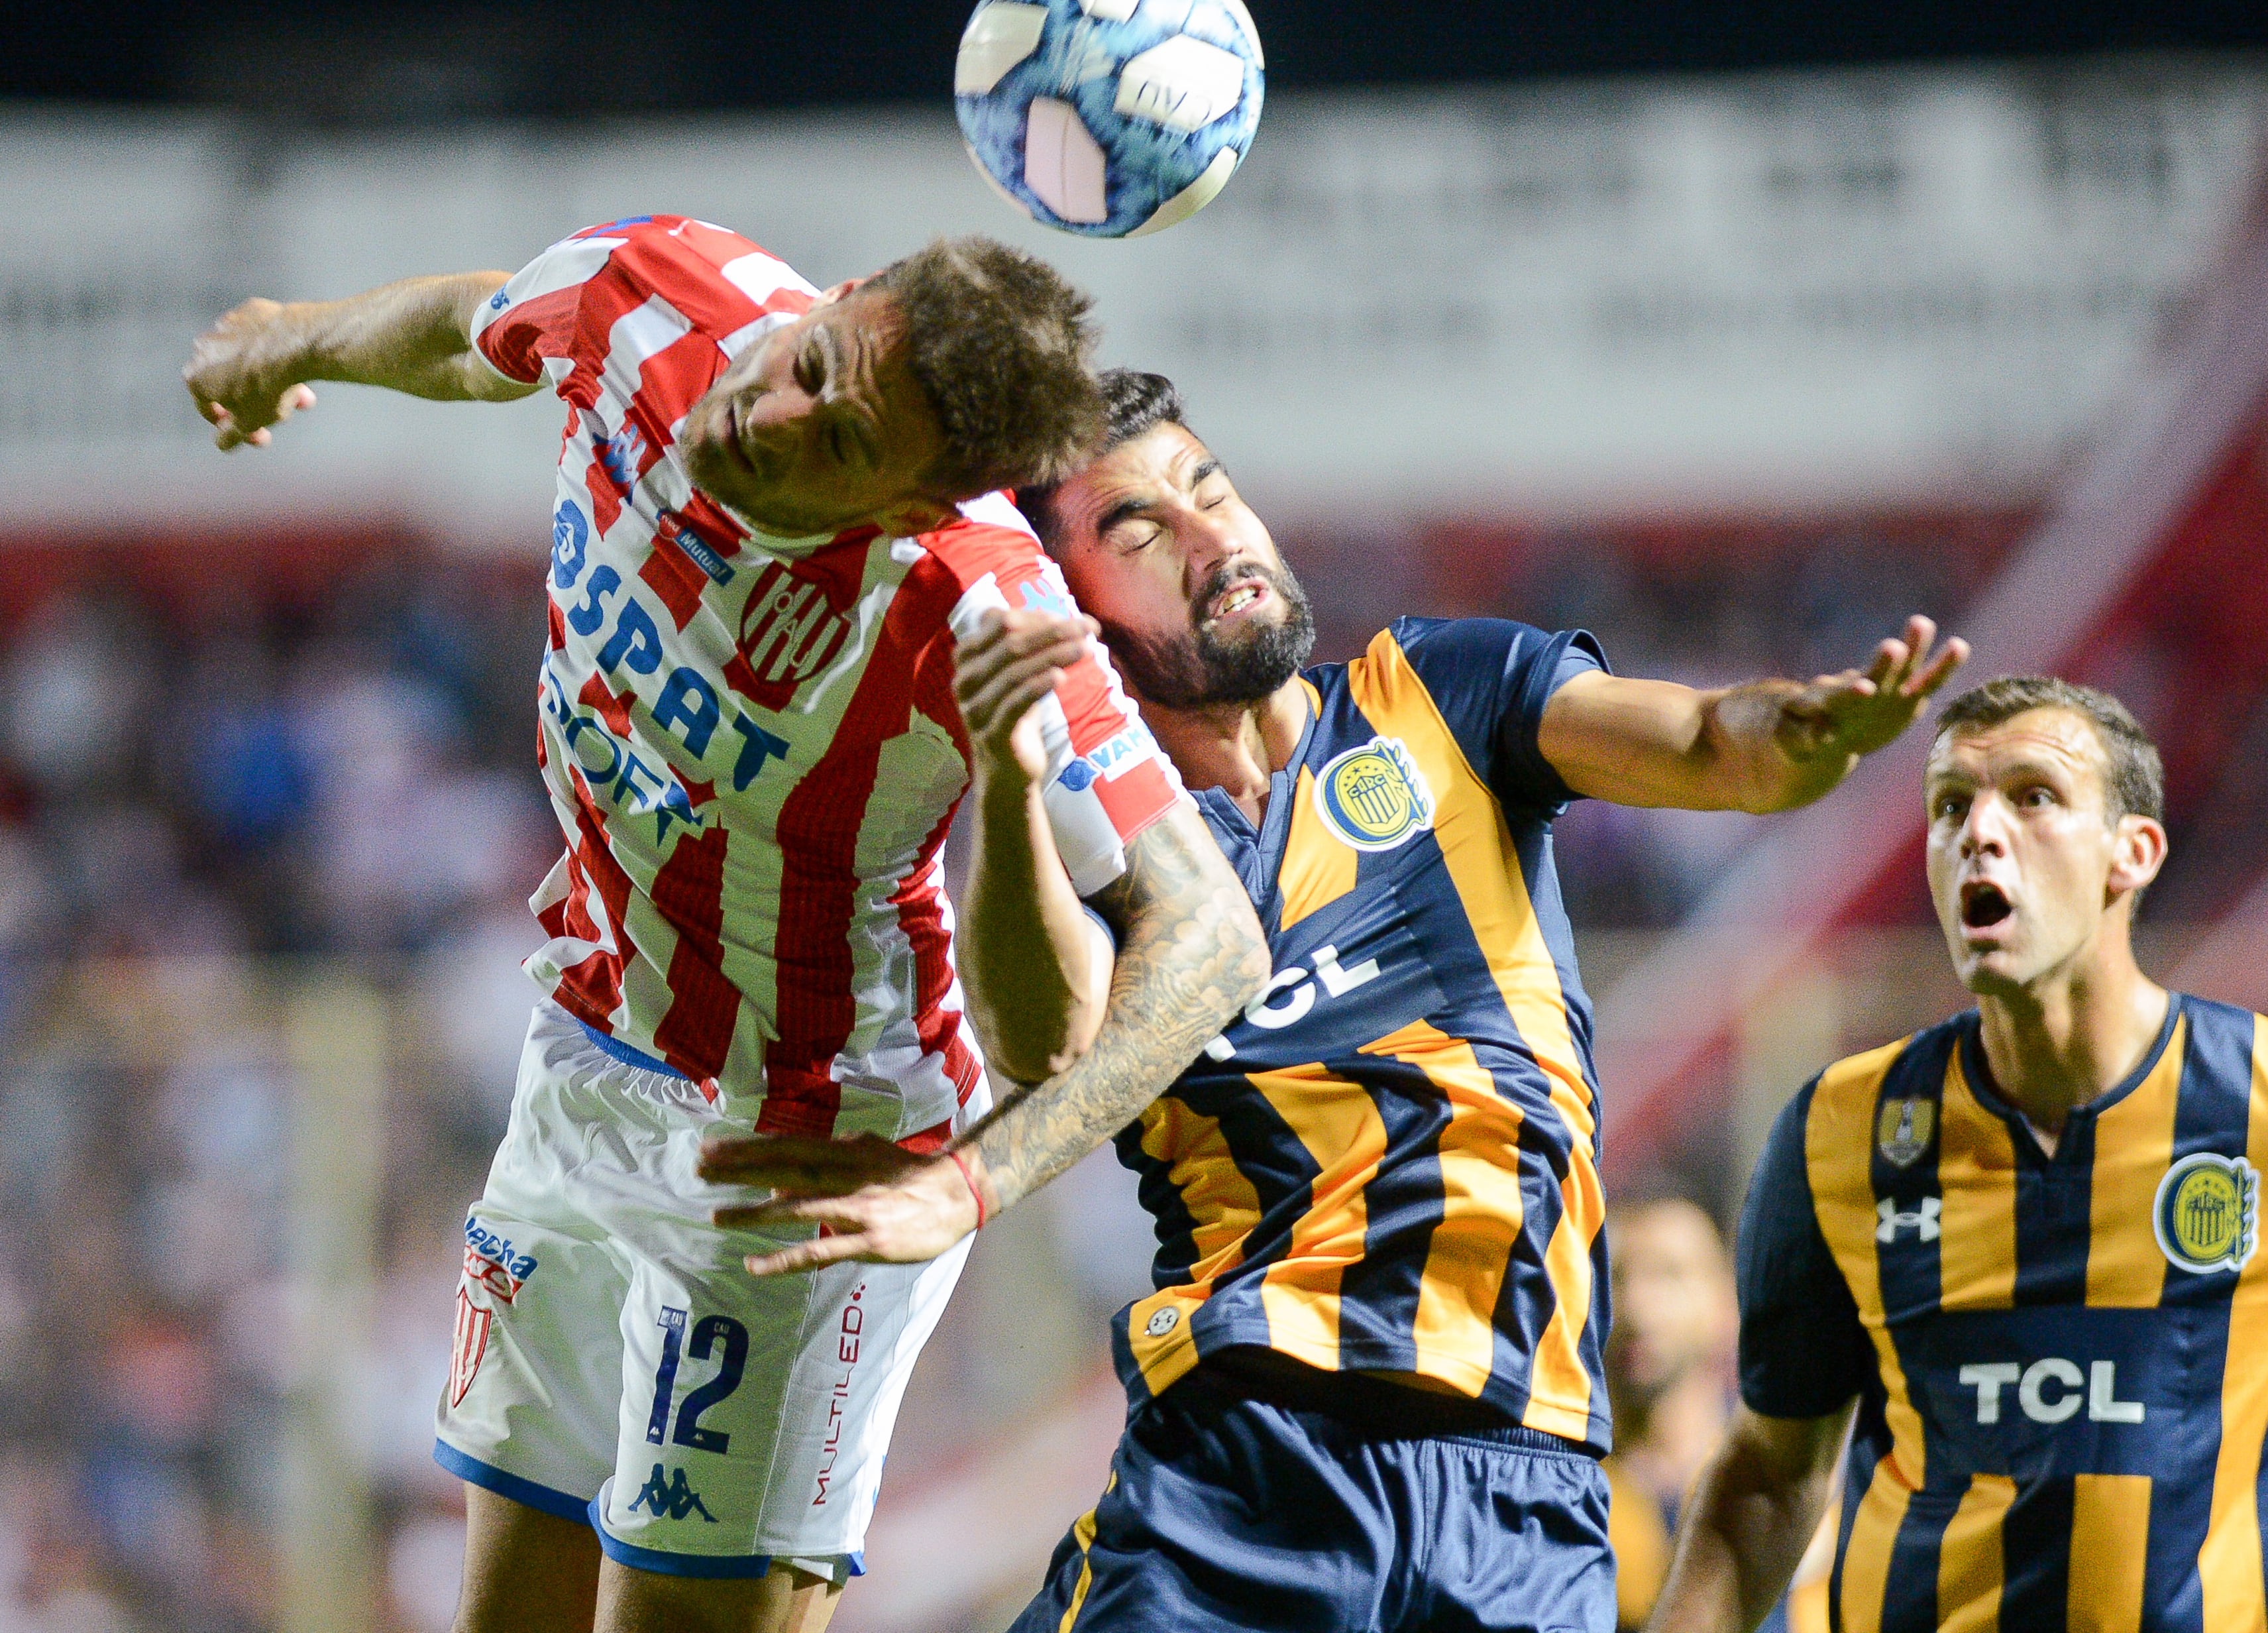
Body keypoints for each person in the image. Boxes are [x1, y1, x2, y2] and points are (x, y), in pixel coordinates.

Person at [698, 368, 1967, 1631]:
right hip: (1251, 1459)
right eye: (1140, 531)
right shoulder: (1111, 851)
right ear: (1070, 618)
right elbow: (1047, 1042)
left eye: (1213, 490)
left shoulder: (1443, 695)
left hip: (1525, 1486)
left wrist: (1796, 727)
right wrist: (1021, 788)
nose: (1215, 538)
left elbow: (1704, 742)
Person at [182, 222, 1266, 1633]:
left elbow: (1207, 942)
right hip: (582, 1052)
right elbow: (478, 332)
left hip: (797, 1155)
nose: (773, 417)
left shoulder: (978, 604)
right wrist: (293, 340)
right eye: (816, 364)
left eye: (839, 446)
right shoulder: (662, 287)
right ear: (848, 295)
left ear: (914, 505)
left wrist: (974, 1181)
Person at [1646, 675, 2268, 1633]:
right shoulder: (1840, 1134)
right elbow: (1771, 1478)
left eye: (2033, 797)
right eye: (1952, 805)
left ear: (2133, 853)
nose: (1979, 832)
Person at [1607, 1198, 1833, 1633]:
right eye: (1617, 1278)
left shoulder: (1783, 1477)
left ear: (1727, 1301)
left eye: (1667, 1274)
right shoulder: (1569, 1487)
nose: (1636, 1304)